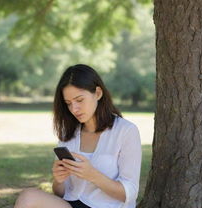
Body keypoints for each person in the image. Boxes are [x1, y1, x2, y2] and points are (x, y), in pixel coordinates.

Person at [14, 64, 142, 208]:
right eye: (68, 103)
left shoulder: (126, 131)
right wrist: (59, 180)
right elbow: (60, 194)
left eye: (79, 100)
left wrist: (92, 175)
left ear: (98, 93)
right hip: (71, 204)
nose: (74, 109)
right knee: (28, 196)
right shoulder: (68, 132)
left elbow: (130, 193)